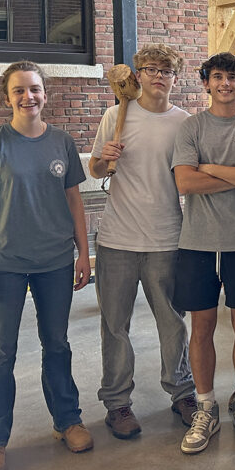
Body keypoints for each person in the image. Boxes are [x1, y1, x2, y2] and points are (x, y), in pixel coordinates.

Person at [0, 61, 93, 470]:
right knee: (0, 352)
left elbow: (75, 202)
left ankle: (67, 420)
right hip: (5, 264)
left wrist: (83, 253)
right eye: (19, 90)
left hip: (55, 262)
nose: (28, 97)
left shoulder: (61, 142)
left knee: (56, 343)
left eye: (35, 89)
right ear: (7, 97)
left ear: (45, 93)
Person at [88, 43, 196, 440]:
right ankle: (117, 404)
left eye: (165, 70)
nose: (157, 76)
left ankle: (182, 392)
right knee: (115, 325)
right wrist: (105, 157)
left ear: (174, 77)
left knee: (172, 323)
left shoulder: (184, 122)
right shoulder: (116, 115)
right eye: (149, 69)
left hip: (167, 237)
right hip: (117, 237)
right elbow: (96, 167)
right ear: (136, 76)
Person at [172, 52, 235, 453]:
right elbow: (184, 182)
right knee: (201, 327)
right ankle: (205, 407)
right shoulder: (191, 128)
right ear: (206, 83)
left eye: (233, 78)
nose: (225, 84)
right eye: (218, 77)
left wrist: (210, 168)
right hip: (197, 242)